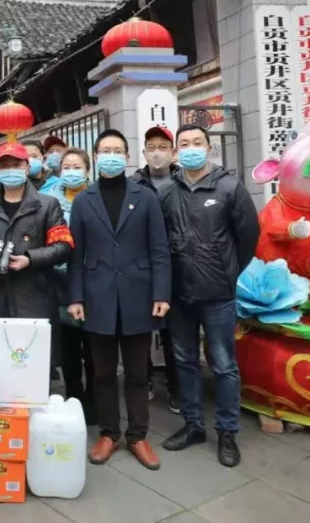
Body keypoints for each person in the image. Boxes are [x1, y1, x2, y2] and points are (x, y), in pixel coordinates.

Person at [67, 130, 171, 470]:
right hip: (97, 296)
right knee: (102, 373)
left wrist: (161, 293)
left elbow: (159, 249)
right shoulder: (84, 201)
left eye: (117, 150)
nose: (111, 156)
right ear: (96, 156)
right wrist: (76, 296)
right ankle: (109, 433)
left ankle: (138, 435)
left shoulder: (146, 197)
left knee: (138, 372)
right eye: (105, 150)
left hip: (139, 295)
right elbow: (76, 255)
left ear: (127, 157)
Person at [159, 124, 259, 468]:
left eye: (197, 143)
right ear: (176, 152)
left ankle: (227, 431)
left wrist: (228, 272)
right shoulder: (167, 192)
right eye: (184, 144)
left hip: (218, 294)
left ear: (208, 148)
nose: (191, 148)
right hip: (179, 294)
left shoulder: (229, 187)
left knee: (223, 364)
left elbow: (248, 237)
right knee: (184, 361)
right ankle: (193, 425)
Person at [0, 142, 72, 323]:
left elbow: (63, 246)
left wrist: (30, 259)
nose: (11, 170)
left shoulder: (48, 205)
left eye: (17, 165)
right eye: (5, 166)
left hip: (37, 297)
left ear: (27, 167)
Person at [45, 148, 97, 425]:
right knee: (68, 350)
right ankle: (74, 398)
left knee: (95, 350)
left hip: (93, 282)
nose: (72, 171)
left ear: (87, 170)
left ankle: (95, 401)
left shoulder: (97, 197)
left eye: (77, 166)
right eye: (67, 166)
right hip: (60, 283)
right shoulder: (48, 200)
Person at [132, 125, 182, 413]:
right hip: (143, 268)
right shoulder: (135, 184)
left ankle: (176, 387)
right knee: (141, 330)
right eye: (151, 148)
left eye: (163, 147)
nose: (156, 153)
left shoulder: (184, 181)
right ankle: (146, 379)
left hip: (179, 267)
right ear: (143, 152)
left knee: (174, 334)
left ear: (173, 152)